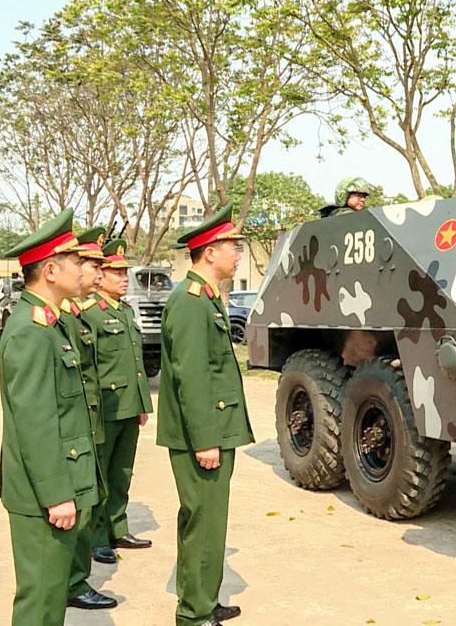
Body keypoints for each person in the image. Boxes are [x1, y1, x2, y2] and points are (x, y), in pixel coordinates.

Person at [0, 208, 99, 625]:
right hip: (45, 492)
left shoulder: (51, 325)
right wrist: (57, 494)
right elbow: (36, 421)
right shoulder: (30, 329)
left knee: (51, 597)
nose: (84, 270)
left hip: (56, 484)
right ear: (51, 270)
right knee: (40, 602)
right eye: (77, 262)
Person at [158, 202, 254, 626]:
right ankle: (193, 614)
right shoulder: (191, 301)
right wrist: (205, 439)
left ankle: (203, 599)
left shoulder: (207, 298)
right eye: (232, 246)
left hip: (213, 429)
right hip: (203, 434)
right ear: (209, 251)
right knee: (203, 521)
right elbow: (191, 376)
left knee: (210, 522)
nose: (238, 253)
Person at [82, 238, 155, 565]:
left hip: (128, 406)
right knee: (100, 475)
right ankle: (97, 537)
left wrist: (141, 404)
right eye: (116, 272)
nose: (124, 278)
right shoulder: (92, 314)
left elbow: (134, 363)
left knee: (121, 473)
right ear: (101, 277)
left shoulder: (124, 311)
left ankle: (117, 527)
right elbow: (92, 368)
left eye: (126, 272)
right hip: (106, 410)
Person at [59, 226, 118, 609]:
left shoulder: (75, 315)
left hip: (91, 421)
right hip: (73, 430)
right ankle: (73, 581)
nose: (95, 274)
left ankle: (76, 577)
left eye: (97, 266)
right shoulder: (57, 319)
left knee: (91, 502)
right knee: (76, 511)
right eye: (86, 264)